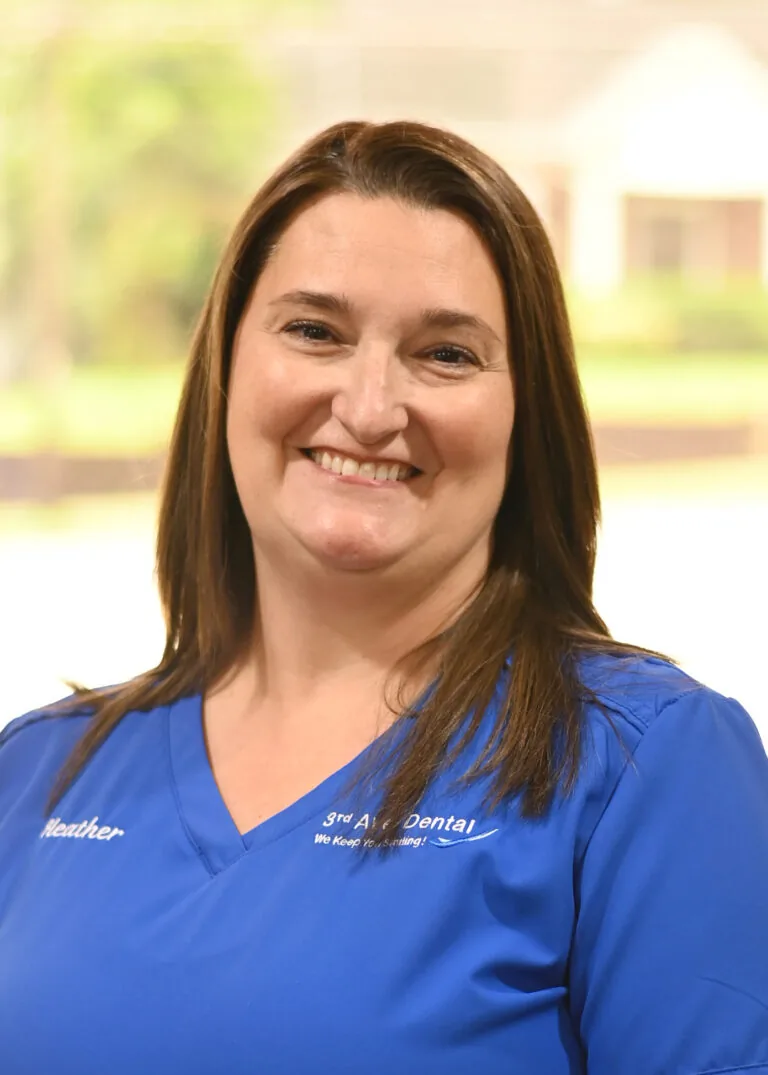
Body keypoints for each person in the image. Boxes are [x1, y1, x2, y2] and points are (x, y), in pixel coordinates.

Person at [0, 120, 766, 1075]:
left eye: (446, 354)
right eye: (314, 331)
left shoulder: (642, 765)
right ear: (226, 368)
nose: (368, 409)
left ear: (526, 415)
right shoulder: (33, 775)